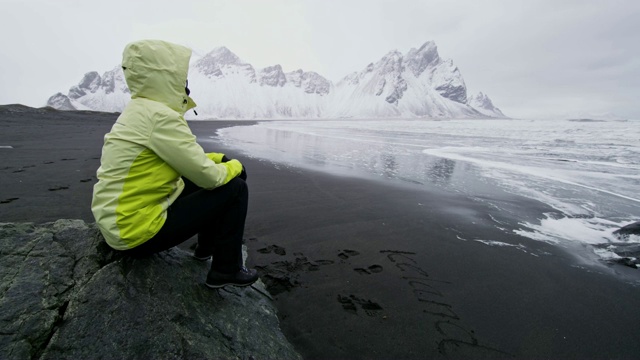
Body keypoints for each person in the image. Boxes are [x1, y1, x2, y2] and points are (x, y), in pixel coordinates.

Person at [91, 39, 258, 289]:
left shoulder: (141, 110)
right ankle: (226, 269)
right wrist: (234, 166)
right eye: (181, 77)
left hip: (118, 221)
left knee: (195, 179)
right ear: (166, 77)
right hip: (134, 232)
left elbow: (186, 158)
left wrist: (219, 159)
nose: (186, 84)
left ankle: (206, 249)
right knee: (235, 188)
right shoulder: (161, 117)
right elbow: (207, 177)